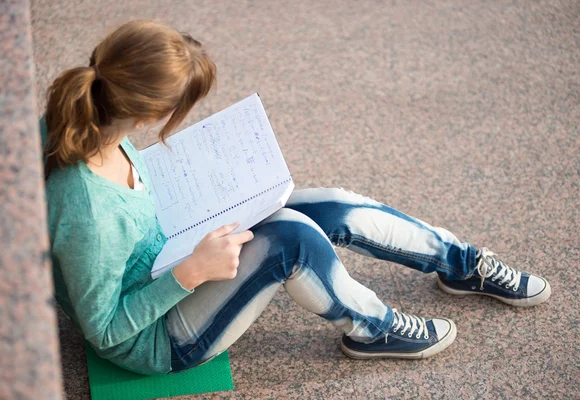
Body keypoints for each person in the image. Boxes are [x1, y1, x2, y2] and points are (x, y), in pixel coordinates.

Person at [41, 20, 551, 376]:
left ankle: (460, 264)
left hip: (166, 242)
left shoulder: (90, 114)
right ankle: (373, 329)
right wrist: (191, 271)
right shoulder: (88, 210)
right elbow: (105, 331)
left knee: (326, 204)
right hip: (155, 338)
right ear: (146, 113)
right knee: (292, 240)